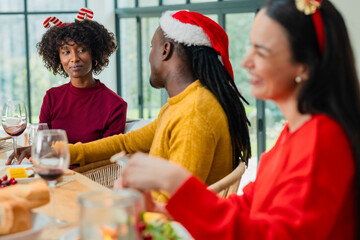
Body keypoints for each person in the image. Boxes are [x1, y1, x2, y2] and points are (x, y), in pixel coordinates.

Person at [121, 0, 360, 239]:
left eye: (261, 51)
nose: (246, 62)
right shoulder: (294, 132)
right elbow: (248, 206)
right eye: (251, 47)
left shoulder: (322, 141)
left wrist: (175, 181)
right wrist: (162, 212)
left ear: (304, 67)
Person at [66, 10, 251, 202]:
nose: (149, 56)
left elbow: (173, 203)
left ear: (165, 50)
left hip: (167, 226)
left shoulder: (194, 113)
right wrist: (68, 152)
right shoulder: (182, 104)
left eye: (151, 47)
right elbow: (126, 143)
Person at [7, 8, 127, 164]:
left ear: (95, 54)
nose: (74, 58)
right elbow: (43, 145)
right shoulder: (52, 97)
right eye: (66, 52)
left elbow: (106, 156)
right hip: (51, 172)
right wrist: (34, 149)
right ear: (58, 57)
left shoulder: (115, 105)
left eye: (82, 50)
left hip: (90, 179)